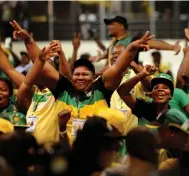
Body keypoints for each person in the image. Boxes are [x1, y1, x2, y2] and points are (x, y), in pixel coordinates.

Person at [25, 31, 154, 144]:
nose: (80, 77)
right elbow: (43, 67)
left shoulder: (101, 90)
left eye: (85, 74)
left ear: (93, 77)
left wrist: (131, 47)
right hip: (66, 156)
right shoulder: (63, 90)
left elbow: (117, 68)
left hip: (95, 156)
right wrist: (28, 41)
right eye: (77, 74)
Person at [89, 16, 181, 65]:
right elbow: (107, 52)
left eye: (112, 24)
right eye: (108, 24)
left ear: (121, 26)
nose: (108, 27)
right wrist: (99, 58)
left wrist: (172, 47)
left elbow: (153, 44)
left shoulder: (132, 40)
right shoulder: (114, 43)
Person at [118, 67, 188, 125]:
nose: (160, 90)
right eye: (156, 87)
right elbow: (122, 91)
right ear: (152, 93)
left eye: (165, 87)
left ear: (171, 95)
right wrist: (142, 75)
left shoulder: (174, 116)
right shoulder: (144, 108)